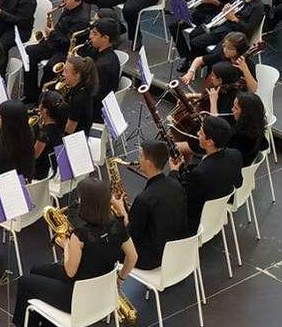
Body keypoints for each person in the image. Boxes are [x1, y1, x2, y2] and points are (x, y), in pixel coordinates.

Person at [11, 178, 137, 327]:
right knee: (36, 270)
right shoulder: (117, 226)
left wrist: (66, 246)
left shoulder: (80, 235)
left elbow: (70, 272)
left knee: (25, 282)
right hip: (102, 293)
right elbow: (133, 257)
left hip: (77, 298)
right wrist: (120, 279)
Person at [112, 140, 188, 270]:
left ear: (148, 162)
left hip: (151, 259)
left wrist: (122, 211)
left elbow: (131, 235)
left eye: (141, 155)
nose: (138, 159)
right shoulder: (176, 184)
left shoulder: (144, 199)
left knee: (113, 242)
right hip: (178, 251)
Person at [176, 0, 265, 70]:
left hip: (236, 36)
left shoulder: (258, 7)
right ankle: (195, 62)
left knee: (216, 54)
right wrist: (226, 8)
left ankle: (207, 68)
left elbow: (248, 29)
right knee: (195, 41)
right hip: (223, 28)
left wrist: (235, 19)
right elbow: (229, 9)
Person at [170, 115, 242, 234]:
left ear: (210, 142)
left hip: (196, 223)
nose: (198, 133)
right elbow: (238, 182)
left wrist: (173, 172)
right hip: (218, 213)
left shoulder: (200, 174)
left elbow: (183, 202)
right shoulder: (235, 155)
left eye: (201, 132)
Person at [23, 0, 90, 103]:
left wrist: (52, 33)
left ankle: (43, 98)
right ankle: (30, 93)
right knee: (29, 52)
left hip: (65, 50)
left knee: (50, 68)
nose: (64, 0)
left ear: (78, 1)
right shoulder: (69, 7)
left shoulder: (82, 19)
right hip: (55, 42)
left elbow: (68, 42)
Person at [181, 31, 258, 94]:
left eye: (229, 48)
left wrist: (245, 70)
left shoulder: (248, 64)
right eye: (224, 45)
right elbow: (199, 59)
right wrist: (191, 72)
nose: (224, 49)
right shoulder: (223, 55)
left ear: (238, 51)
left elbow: (253, 89)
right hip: (216, 92)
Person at [78, 18, 121, 122]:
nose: (90, 36)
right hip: (98, 102)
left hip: (94, 111)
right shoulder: (106, 54)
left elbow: (92, 95)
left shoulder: (102, 66)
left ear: (105, 38)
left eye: (94, 34)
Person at [33, 90, 68, 179]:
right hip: (55, 167)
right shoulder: (62, 125)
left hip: (43, 174)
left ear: (44, 110)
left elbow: (33, 156)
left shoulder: (44, 134)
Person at [228, 92, 268, 167]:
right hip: (246, 168)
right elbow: (265, 145)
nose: (232, 109)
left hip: (233, 170)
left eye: (236, 108)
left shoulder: (240, 136)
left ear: (245, 114)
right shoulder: (257, 128)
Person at [60, 55, 97, 134]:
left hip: (76, 138)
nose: (63, 74)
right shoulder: (82, 88)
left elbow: (69, 129)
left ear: (77, 75)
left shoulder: (78, 99)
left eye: (66, 71)